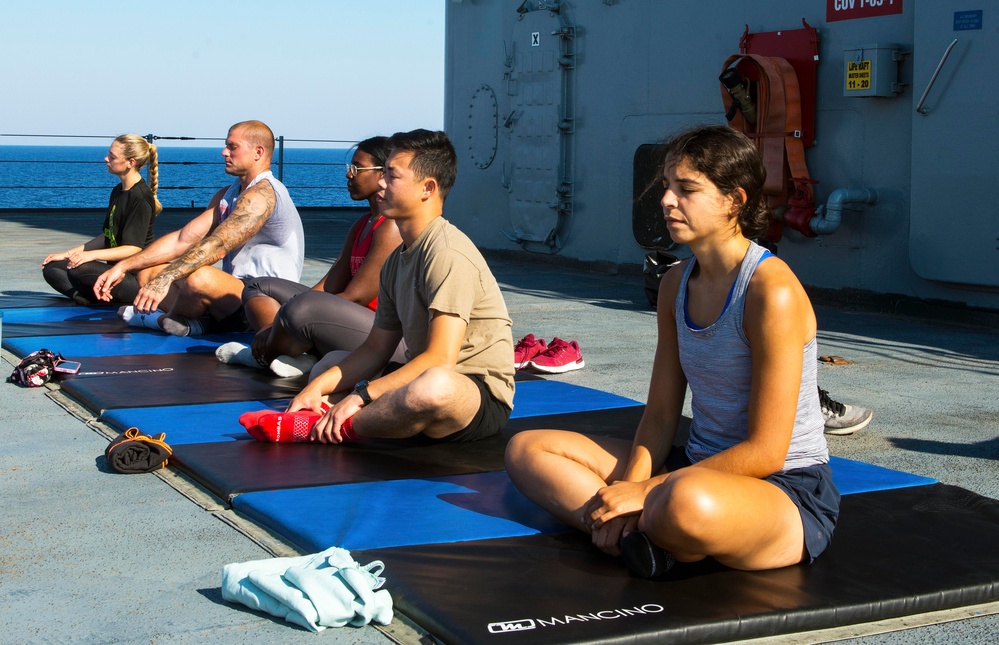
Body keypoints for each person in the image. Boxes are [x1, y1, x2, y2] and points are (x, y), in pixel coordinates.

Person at [505, 125, 839, 579]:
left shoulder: (770, 291)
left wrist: (647, 492)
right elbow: (662, 415)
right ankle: (639, 537)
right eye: (667, 186)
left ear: (734, 201)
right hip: (694, 465)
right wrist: (631, 487)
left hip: (779, 488)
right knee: (528, 449)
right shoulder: (675, 283)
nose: (666, 200)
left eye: (686, 189)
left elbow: (766, 452)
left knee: (684, 503)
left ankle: (646, 531)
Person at [254, 129, 514, 445]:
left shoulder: (447, 253)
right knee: (330, 364)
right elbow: (376, 348)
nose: (381, 184)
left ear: (427, 188)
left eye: (392, 176)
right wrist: (317, 387)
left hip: (474, 393)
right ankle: (325, 412)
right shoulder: (397, 259)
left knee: (433, 386)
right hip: (420, 374)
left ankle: (330, 426)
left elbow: (440, 359)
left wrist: (360, 396)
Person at [93, 120, 305, 336]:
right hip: (234, 293)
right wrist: (123, 266)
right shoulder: (228, 194)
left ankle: (162, 320)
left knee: (200, 278)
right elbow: (183, 240)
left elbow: (218, 245)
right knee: (148, 272)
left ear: (258, 152)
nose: (224, 152)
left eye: (232, 147)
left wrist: (166, 279)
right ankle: (195, 322)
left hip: (265, 302)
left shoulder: (263, 195)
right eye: (226, 145)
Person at [216, 136, 405, 377]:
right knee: (257, 286)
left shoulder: (390, 227)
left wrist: (287, 316)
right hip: (348, 318)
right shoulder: (362, 224)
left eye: (356, 168)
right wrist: (281, 321)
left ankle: (263, 354)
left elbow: (357, 296)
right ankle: (287, 351)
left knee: (303, 308)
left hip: (381, 334)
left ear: (383, 174)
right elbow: (330, 283)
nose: (349, 175)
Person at [42, 134, 162, 305]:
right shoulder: (118, 191)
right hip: (112, 271)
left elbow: (133, 248)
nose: (106, 159)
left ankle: (97, 295)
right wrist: (68, 254)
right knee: (53, 267)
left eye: (112, 157)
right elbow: (107, 237)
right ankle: (86, 298)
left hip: (132, 277)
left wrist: (90, 256)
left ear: (131, 162)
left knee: (80, 269)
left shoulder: (140, 197)